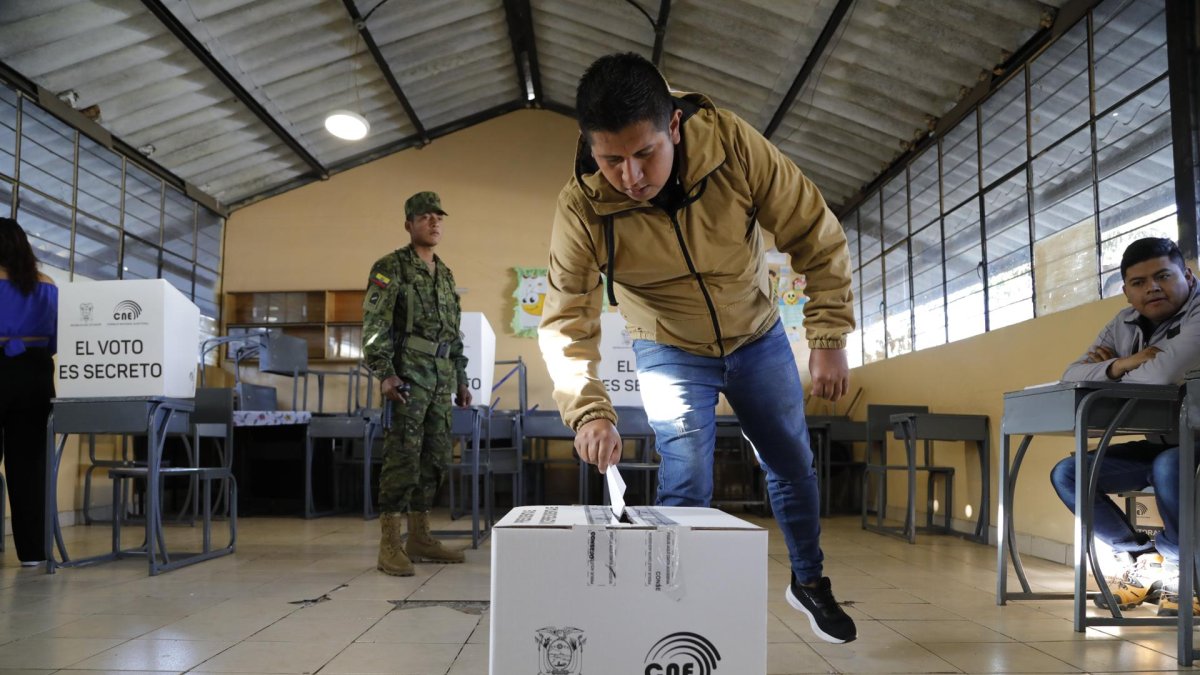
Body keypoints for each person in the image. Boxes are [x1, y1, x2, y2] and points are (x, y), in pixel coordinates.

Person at [537, 53, 857, 643]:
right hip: (668, 344)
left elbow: (814, 229)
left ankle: (809, 581)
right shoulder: (581, 208)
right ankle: (677, 607)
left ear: (674, 128)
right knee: (686, 477)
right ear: (590, 145)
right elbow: (565, 318)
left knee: (790, 460)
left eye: (644, 154)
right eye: (612, 160)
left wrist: (828, 334)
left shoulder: (732, 144)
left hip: (757, 331)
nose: (631, 176)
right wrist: (589, 410)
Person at [1051, 237, 1200, 616]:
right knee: (1070, 473)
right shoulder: (1124, 322)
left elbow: (1161, 375)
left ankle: (1184, 572)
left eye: (1163, 276)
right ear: (1126, 291)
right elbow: (1070, 375)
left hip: (1194, 441)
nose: (1152, 287)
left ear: (1186, 274)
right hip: (1166, 441)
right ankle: (1143, 559)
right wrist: (1123, 364)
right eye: (1139, 282)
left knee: (1170, 465)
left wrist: (1111, 372)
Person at [362, 191, 472, 577]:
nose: (434, 222)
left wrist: (460, 375)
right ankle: (389, 543)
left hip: (441, 379)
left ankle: (420, 537)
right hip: (407, 376)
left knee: (436, 458)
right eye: (425, 217)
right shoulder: (390, 267)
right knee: (403, 458)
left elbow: (453, 333)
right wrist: (385, 372)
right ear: (409, 224)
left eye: (439, 217)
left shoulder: (445, 274)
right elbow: (374, 326)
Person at [0, 218, 57, 567]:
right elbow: (54, 340)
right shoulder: (46, 285)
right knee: (29, 465)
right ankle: (33, 554)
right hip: (35, 373)